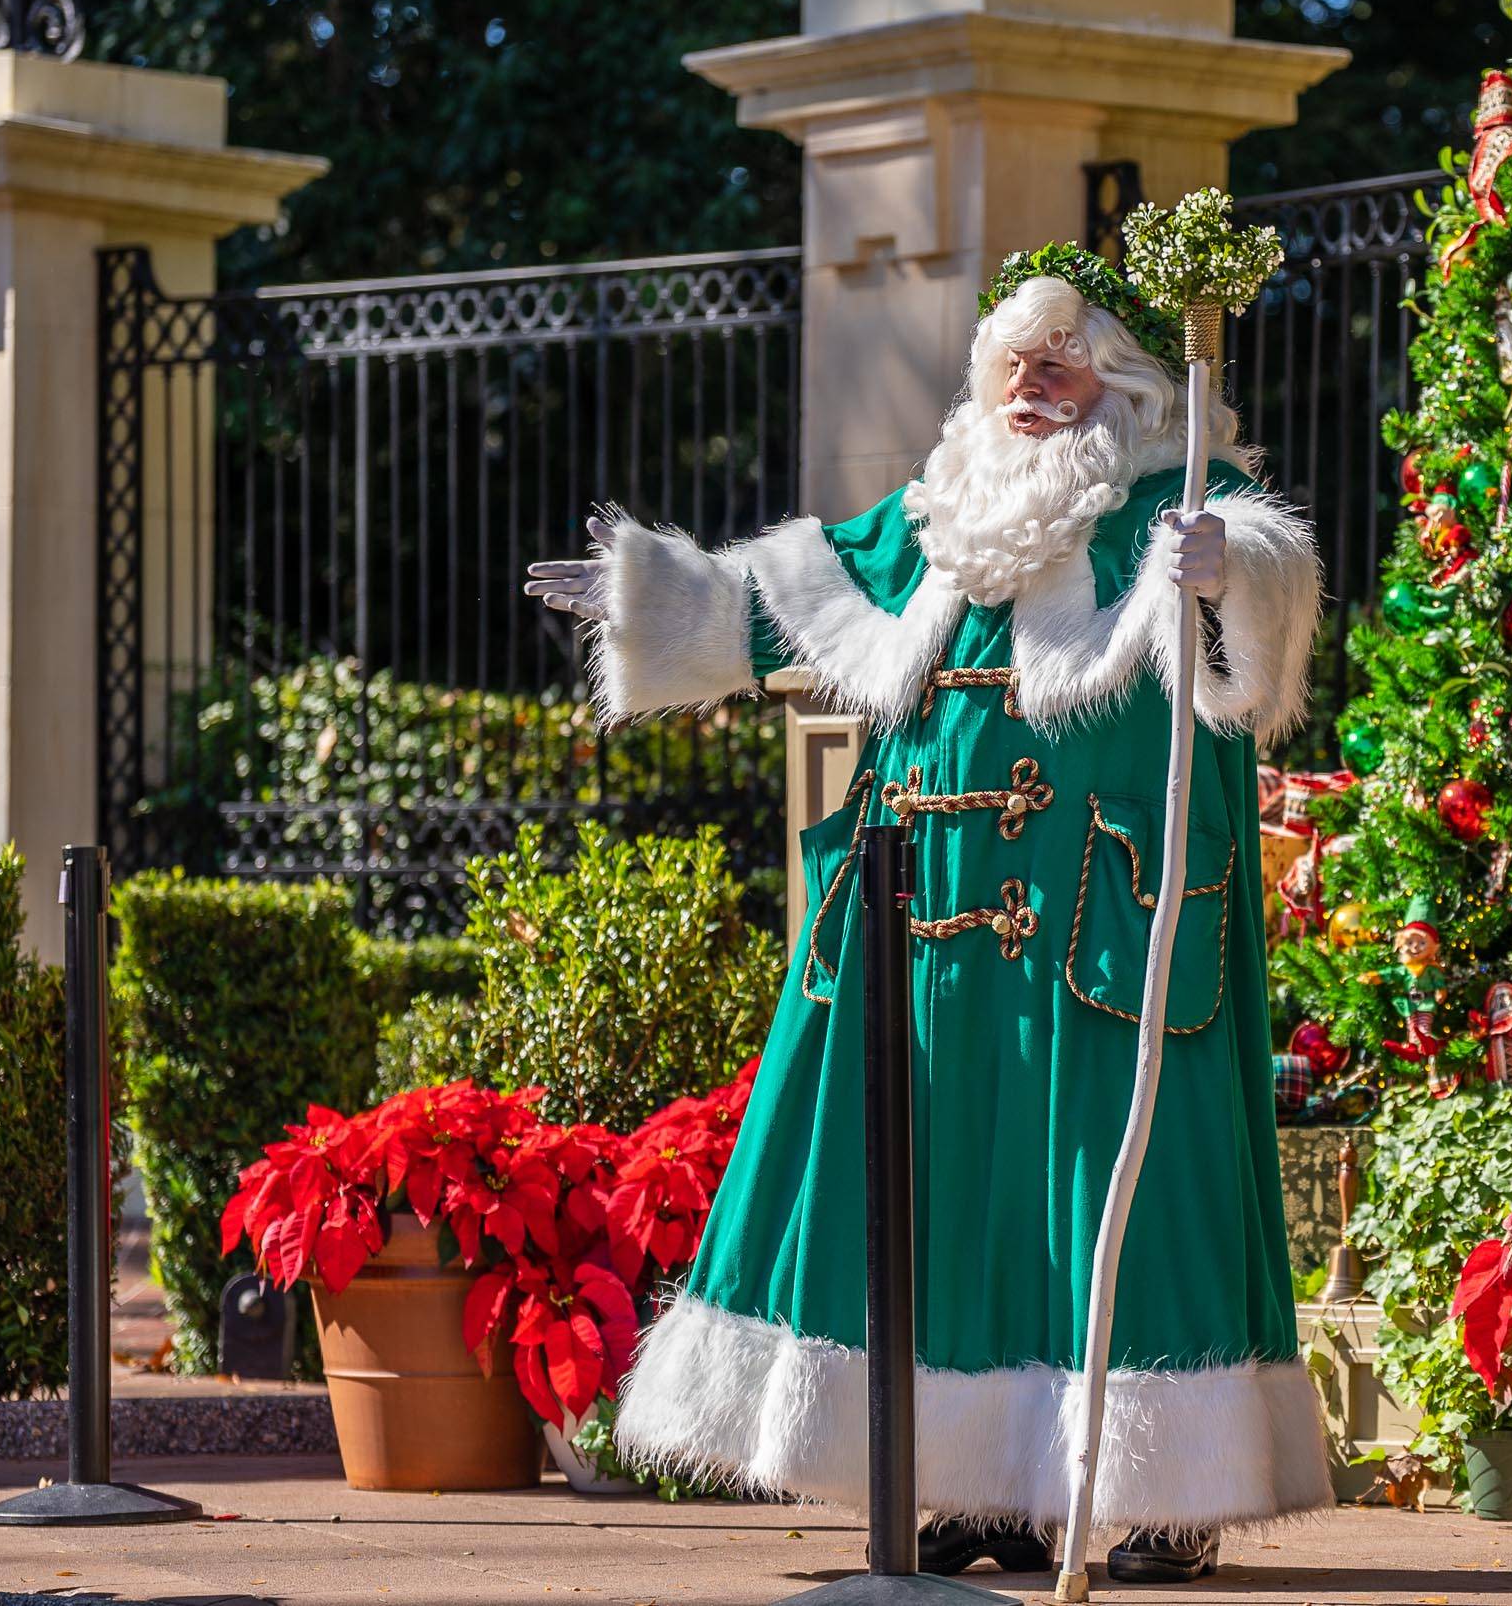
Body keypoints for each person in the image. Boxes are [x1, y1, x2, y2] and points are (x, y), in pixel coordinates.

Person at [525, 246, 1328, 1584]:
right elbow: (791, 595)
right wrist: (647, 596)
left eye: (1062, 358)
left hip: (1106, 930)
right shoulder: (945, 513)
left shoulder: (1172, 502)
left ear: (1121, 379)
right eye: (1014, 360)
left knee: (1138, 1187)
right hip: (935, 934)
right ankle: (979, 1484)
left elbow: (1265, 607)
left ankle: (1173, 1488)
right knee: (955, 1205)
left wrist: (1223, 563)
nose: (1033, 382)